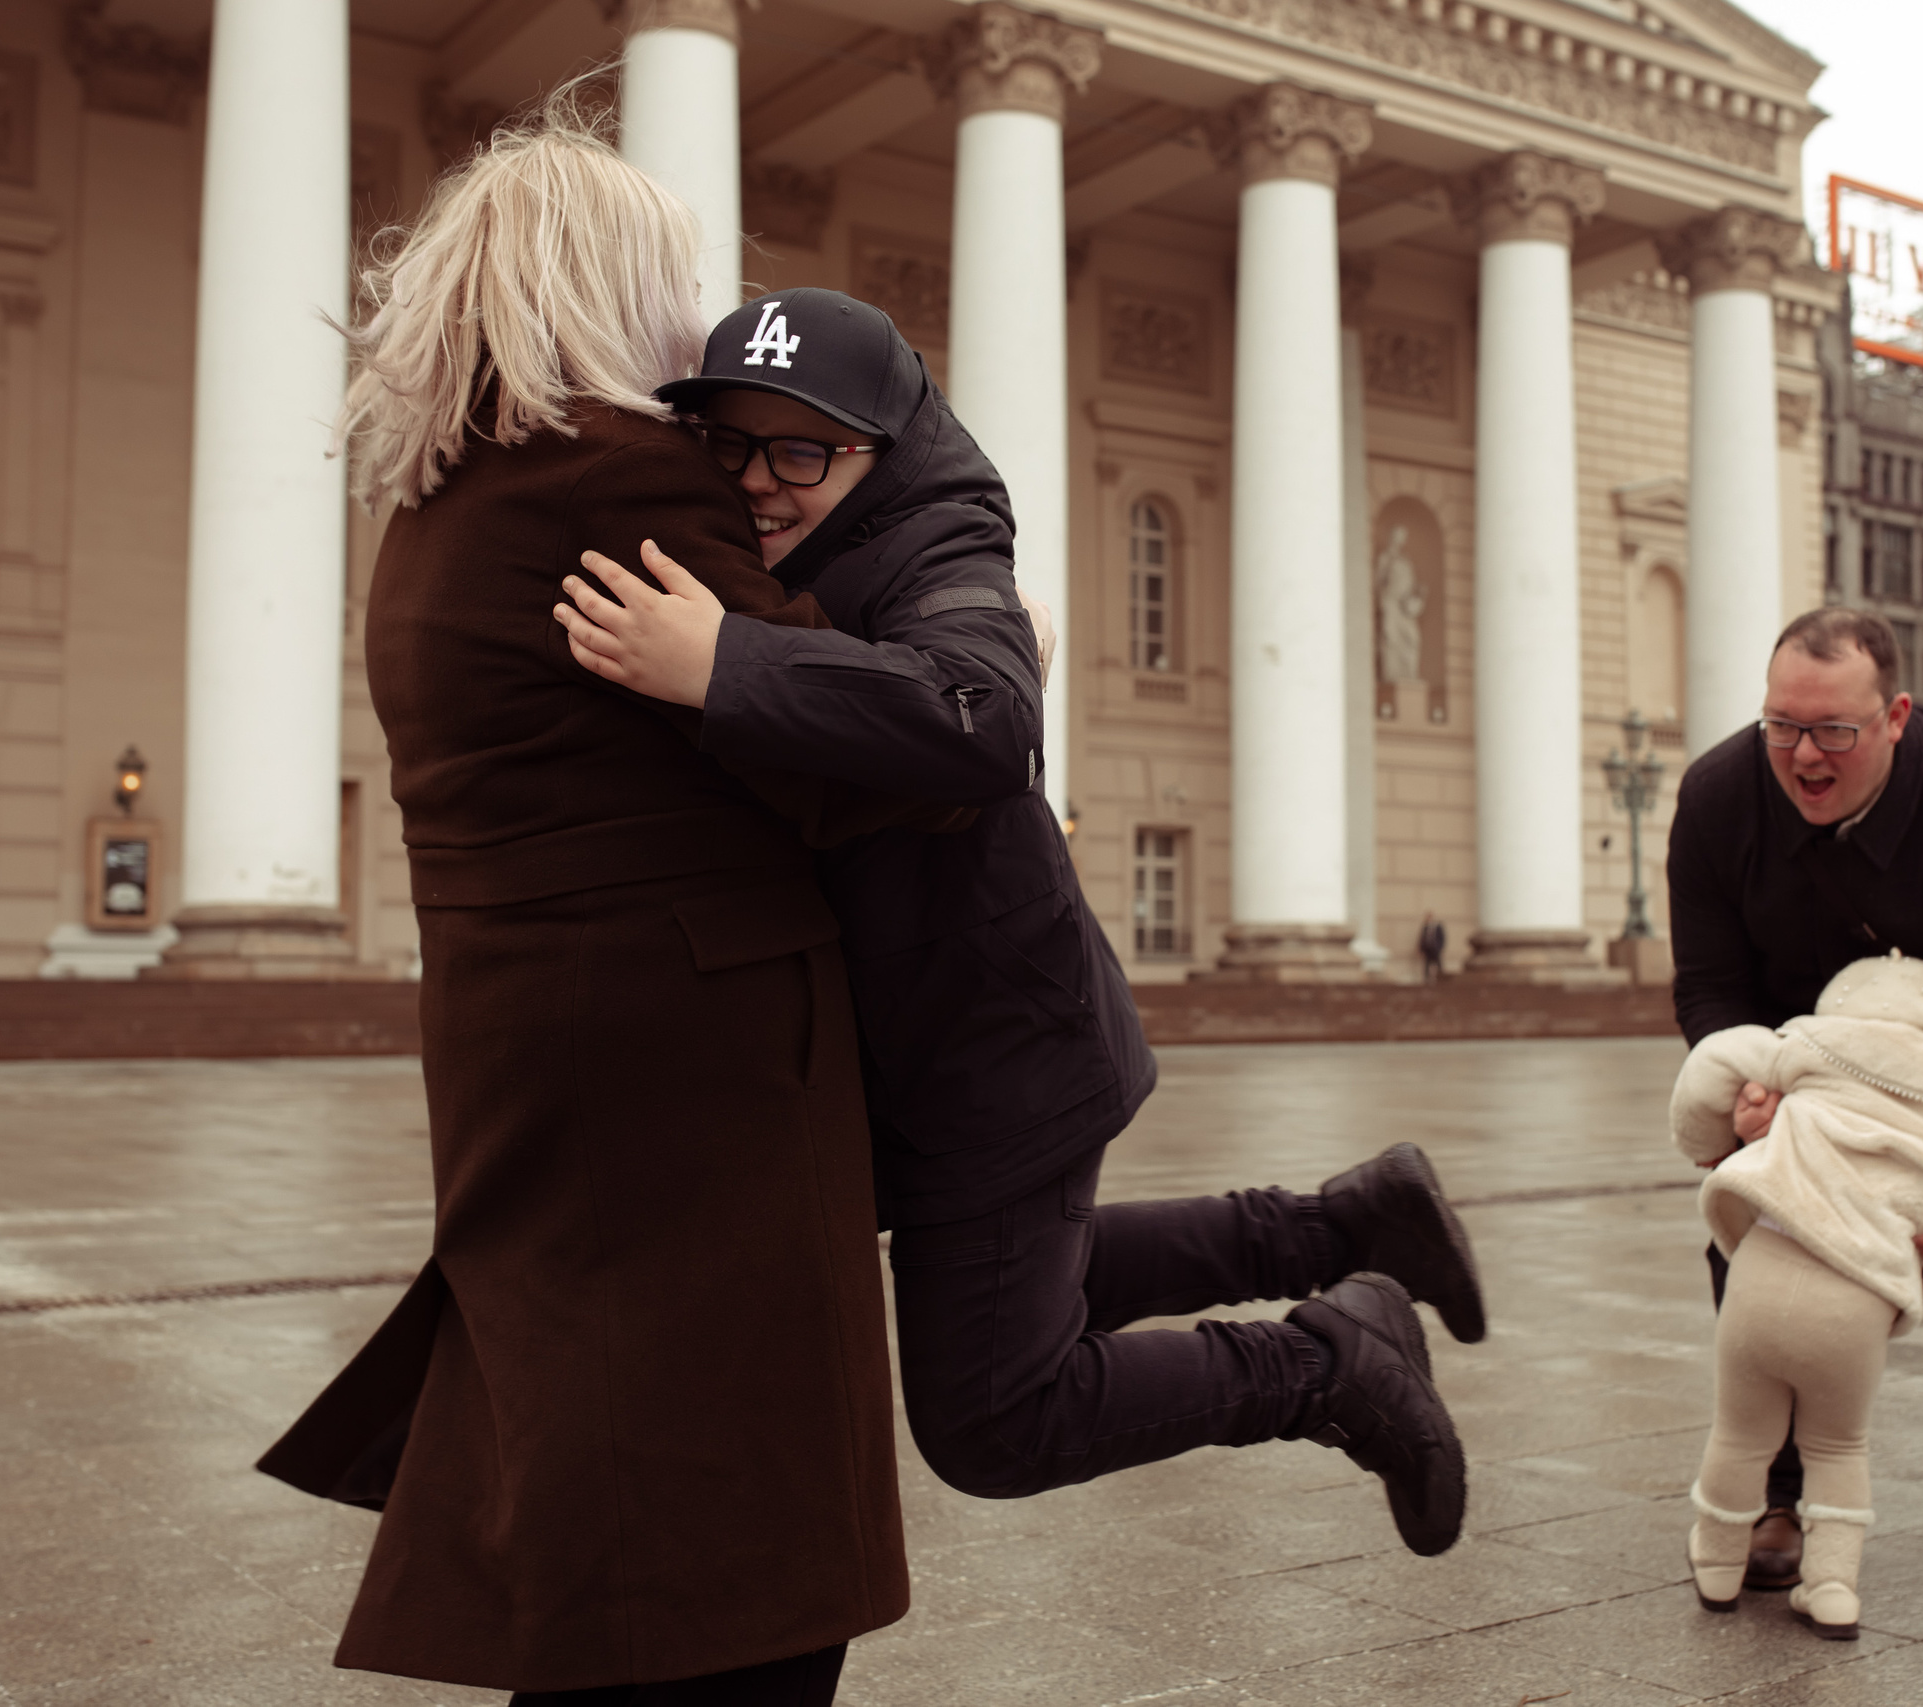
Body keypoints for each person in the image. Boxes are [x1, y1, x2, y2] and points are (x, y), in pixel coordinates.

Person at [551, 287, 1479, 1555]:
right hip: (939, 1047)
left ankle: (1328, 1363)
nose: (759, 483)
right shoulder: (790, 553)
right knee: (1018, 1286)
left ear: (880, 453)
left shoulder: (939, 547)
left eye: (802, 451)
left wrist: (726, 666)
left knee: (995, 1411)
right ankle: (1344, 1225)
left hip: (995, 1048)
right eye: (729, 446)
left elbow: (983, 712)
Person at [254, 112, 949, 1706]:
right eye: (680, 284)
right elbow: (860, 761)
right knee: (736, 1572)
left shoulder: (441, 505)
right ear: (612, 287)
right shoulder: (623, 480)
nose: (699, 331)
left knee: (599, 1503)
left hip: (537, 1053)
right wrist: (986, 650)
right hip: (692, 1090)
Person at [1667, 607, 1923, 1601]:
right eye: (1780, 726)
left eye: (1832, 732)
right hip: (1795, 1054)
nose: (1802, 755)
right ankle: (1776, 1495)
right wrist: (1743, 1095)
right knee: (1763, 1215)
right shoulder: (1720, 796)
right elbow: (1710, 986)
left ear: (1894, 715)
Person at [1670, 952, 1923, 1638]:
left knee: (1740, 1435)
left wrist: (1709, 1137)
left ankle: (1717, 1565)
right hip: (1854, 1306)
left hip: (1758, 1280)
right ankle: (1831, 1589)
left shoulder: (1794, 1046)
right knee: (1838, 1446)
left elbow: (1708, 1064)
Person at [1418, 911, 1448, 983]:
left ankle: (1441, 978)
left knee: (1438, 964)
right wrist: (1421, 949)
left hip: (1436, 949)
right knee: (1427, 965)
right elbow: (1422, 938)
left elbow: (1442, 938)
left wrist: (1440, 948)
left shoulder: (1438, 927)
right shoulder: (1425, 927)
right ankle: (1426, 979)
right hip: (1428, 949)